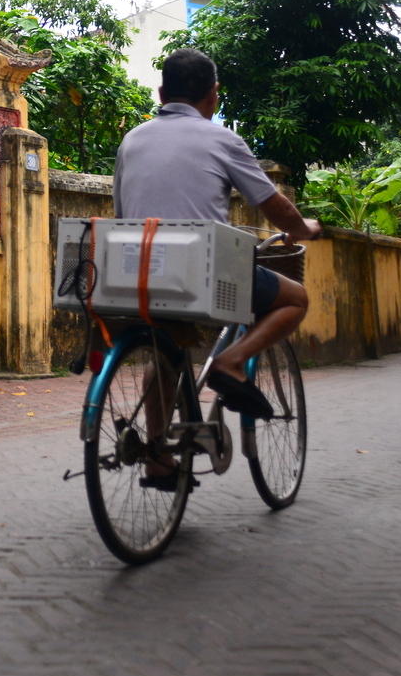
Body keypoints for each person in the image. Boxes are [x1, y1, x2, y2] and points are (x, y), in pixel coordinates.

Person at [110, 47, 324, 425]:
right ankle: (232, 361)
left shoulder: (131, 141)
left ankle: (157, 456)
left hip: (138, 274)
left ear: (162, 95)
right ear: (214, 94)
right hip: (204, 277)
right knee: (295, 297)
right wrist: (302, 228)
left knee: (163, 347)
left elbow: (122, 214)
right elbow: (273, 205)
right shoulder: (222, 140)